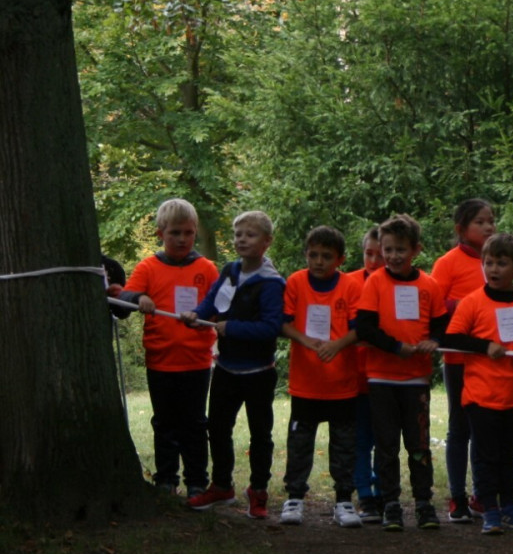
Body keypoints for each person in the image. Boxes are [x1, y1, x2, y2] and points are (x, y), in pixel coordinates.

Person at [181, 210, 286, 521]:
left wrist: (232, 328)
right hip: (226, 369)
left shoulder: (272, 283)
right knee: (217, 428)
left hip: (258, 372)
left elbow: (271, 327)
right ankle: (222, 486)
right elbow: (212, 302)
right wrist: (196, 315)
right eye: (238, 234)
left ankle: (258, 491)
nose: (242, 240)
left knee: (260, 434)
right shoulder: (229, 270)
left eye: (250, 235)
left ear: (266, 242)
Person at [441, 233, 513, 534]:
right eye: (488, 263)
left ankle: (509, 504)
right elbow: (452, 338)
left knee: (507, 454)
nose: (494, 269)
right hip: (480, 396)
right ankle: (489, 508)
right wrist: (485, 346)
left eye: (501, 263)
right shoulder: (472, 302)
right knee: (485, 455)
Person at [119, 198, 219, 499]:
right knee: (164, 423)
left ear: (195, 232)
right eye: (175, 232)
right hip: (160, 362)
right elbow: (123, 299)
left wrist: (207, 320)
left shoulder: (206, 268)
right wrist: (139, 299)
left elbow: (221, 307)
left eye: (188, 232)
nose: (182, 239)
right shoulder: (149, 267)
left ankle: (197, 481)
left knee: (195, 423)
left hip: (196, 362)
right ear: (161, 233)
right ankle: (166, 480)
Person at [355, 213, 448, 531]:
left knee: (418, 444)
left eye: (400, 250)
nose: (393, 256)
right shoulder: (375, 282)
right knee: (386, 445)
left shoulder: (429, 285)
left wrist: (434, 340)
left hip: (416, 379)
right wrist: (396, 347)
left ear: (416, 250)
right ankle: (390, 503)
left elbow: (441, 323)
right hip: (381, 377)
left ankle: (423, 502)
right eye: (388, 250)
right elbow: (365, 327)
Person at [278, 225, 365, 528]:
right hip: (306, 382)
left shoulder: (350, 286)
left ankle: (344, 500)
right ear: (306, 255)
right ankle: (294, 497)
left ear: (340, 259)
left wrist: (337, 345)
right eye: (313, 255)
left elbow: (359, 328)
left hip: (342, 384)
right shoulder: (296, 282)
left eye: (326, 256)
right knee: (300, 442)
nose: (318, 261)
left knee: (344, 444)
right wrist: (305, 341)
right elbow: (283, 323)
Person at [430, 198, 497, 524]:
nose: (488, 227)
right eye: (479, 222)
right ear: (461, 228)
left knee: (484, 428)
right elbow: (434, 306)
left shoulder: (496, 260)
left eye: (491, 220)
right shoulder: (447, 263)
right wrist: (464, 307)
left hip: (488, 360)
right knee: (460, 427)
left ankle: (483, 495)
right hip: (458, 357)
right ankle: (457, 497)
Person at [351, 226, 384, 521]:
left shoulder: (398, 285)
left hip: (387, 376)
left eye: (380, 255)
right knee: (360, 440)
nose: (373, 261)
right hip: (355, 376)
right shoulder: (349, 283)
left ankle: (384, 492)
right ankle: (365, 494)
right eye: (368, 254)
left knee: (384, 439)